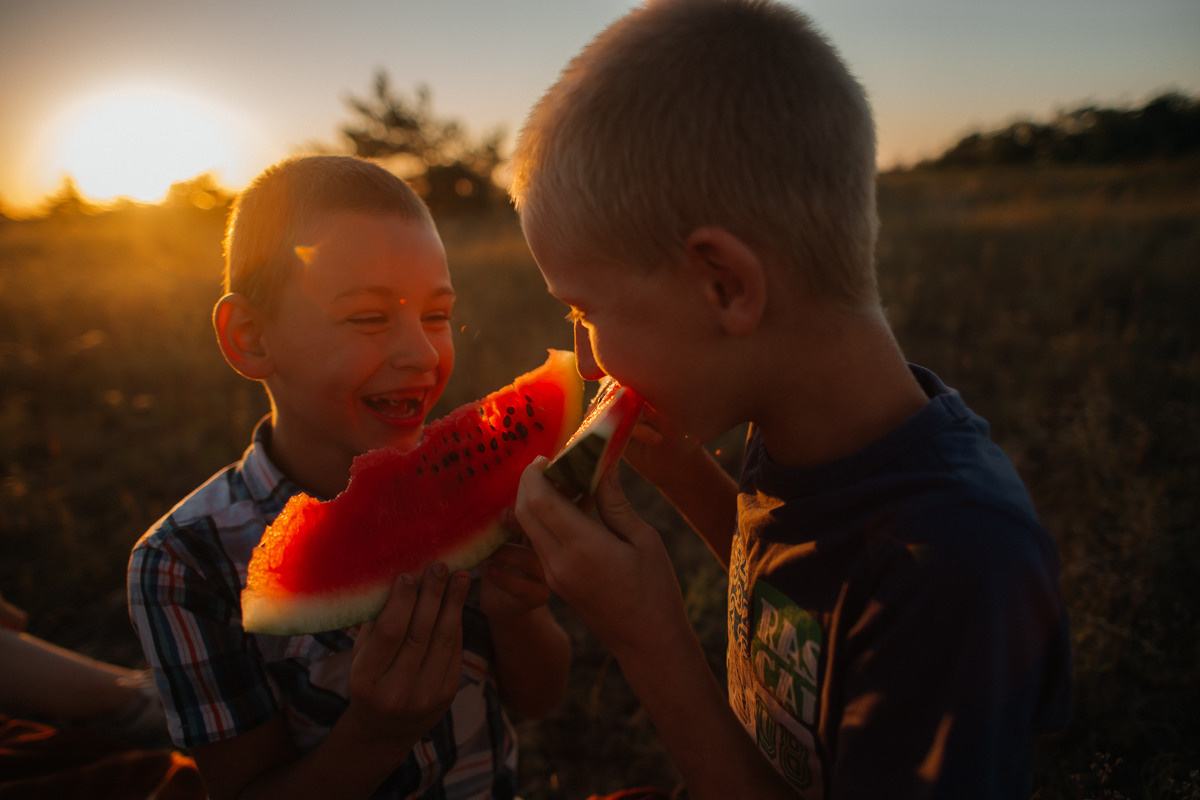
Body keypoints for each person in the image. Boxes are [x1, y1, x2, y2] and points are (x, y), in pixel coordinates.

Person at [509, 2, 1072, 798]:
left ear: (726, 285)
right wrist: (682, 471)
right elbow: (797, 597)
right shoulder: (797, 425)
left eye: (586, 311)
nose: (587, 355)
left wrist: (652, 641)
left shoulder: (959, 567)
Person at [127, 155, 571, 800]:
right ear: (250, 337)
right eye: (368, 318)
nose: (421, 352)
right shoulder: (181, 564)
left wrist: (520, 613)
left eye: (437, 315)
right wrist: (378, 733)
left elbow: (539, 697)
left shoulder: (478, 491)